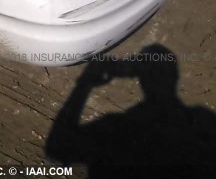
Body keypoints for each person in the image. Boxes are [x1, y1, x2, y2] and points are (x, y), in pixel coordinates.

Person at [45, 44, 216, 179]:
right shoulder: (202, 123)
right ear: (175, 77)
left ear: (140, 79)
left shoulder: (117, 130)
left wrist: (84, 83)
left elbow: (57, 149)